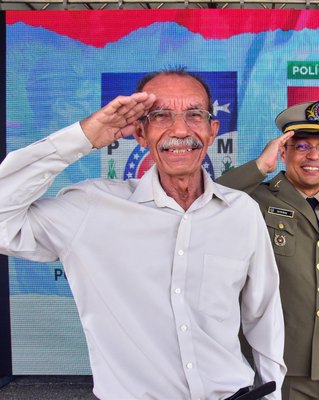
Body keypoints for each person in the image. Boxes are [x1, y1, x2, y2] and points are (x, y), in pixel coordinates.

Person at [0, 67, 286, 400]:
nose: (180, 129)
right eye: (161, 115)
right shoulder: (91, 209)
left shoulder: (241, 212)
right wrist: (84, 138)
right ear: (139, 133)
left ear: (212, 131)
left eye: (194, 114)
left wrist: (272, 394)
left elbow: (263, 315)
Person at [216, 100, 319, 400]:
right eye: (302, 146)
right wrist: (259, 167)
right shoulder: (256, 200)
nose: (313, 157)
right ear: (283, 152)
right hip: (279, 365)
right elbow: (211, 202)